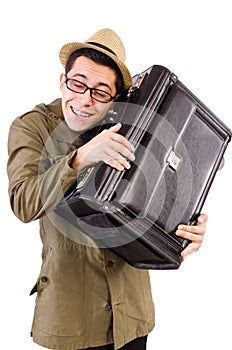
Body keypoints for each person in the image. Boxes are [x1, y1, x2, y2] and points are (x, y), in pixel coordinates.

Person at [7, 28, 207, 350]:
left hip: (132, 316)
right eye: (77, 84)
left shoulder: (134, 129)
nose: (84, 100)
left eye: (100, 92)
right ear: (63, 81)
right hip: (71, 320)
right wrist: (79, 160)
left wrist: (185, 227)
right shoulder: (32, 126)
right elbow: (23, 201)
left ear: (115, 99)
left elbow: (164, 188)